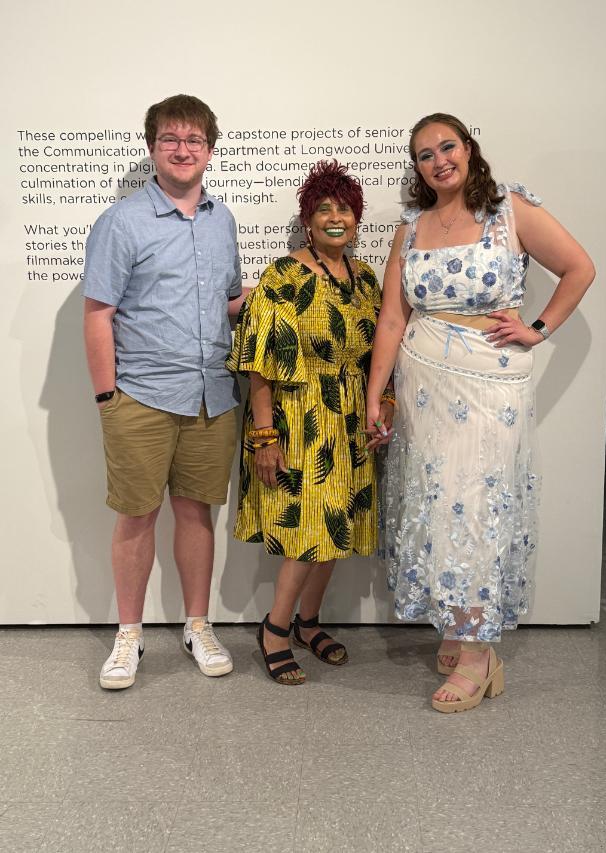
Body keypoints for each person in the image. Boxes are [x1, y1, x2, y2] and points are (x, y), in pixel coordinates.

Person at [366, 113, 594, 712]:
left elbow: (580, 268)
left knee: (477, 505)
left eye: (448, 147)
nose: (439, 160)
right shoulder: (411, 226)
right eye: (424, 155)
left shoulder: (509, 209)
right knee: (436, 502)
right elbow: (392, 318)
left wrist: (539, 328)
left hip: (490, 382)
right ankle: (459, 623)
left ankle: (477, 652)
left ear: (469, 150)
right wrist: (375, 393)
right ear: (416, 168)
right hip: (422, 381)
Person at [83, 94, 245, 690]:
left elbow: (226, 301)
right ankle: (129, 634)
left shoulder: (223, 220)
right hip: (141, 397)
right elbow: (98, 314)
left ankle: (196, 624)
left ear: (209, 149)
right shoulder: (120, 222)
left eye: (194, 140)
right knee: (136, 517)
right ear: (152, 147)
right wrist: (108, 400)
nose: (183, 150)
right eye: (171, 139)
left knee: (195, 513)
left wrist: (280, 286)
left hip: (211, 396)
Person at [227, 161, 394, 684]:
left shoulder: (366, 279)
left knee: (336, 530)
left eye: (344, 208)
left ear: (357, 218)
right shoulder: (283, 275)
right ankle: (274, 630)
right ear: (308, 220)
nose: (336, 217)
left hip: (350, 422)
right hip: (297, 420)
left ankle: (308, 621)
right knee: (305, 534)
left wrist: (382, 403)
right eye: (324, 209)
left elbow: (382, 353)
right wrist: (263, 438)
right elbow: (258, 363)